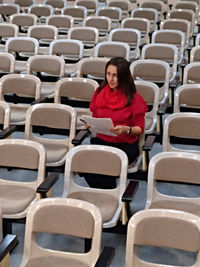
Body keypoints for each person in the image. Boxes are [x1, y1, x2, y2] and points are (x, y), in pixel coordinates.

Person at [83, 57, 148, 189]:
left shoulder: (134, 97)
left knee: (104, 167)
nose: (111, 79)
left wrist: (126, 129)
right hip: (101, 141)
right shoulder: (100, 92)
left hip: (124, 145)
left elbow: (139, 128)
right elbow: (95, 117)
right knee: (85, 165)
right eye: (108, 74)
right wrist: (90, 125)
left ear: (123, 77)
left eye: (115, 76)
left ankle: (109, 197)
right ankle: (107, 195)